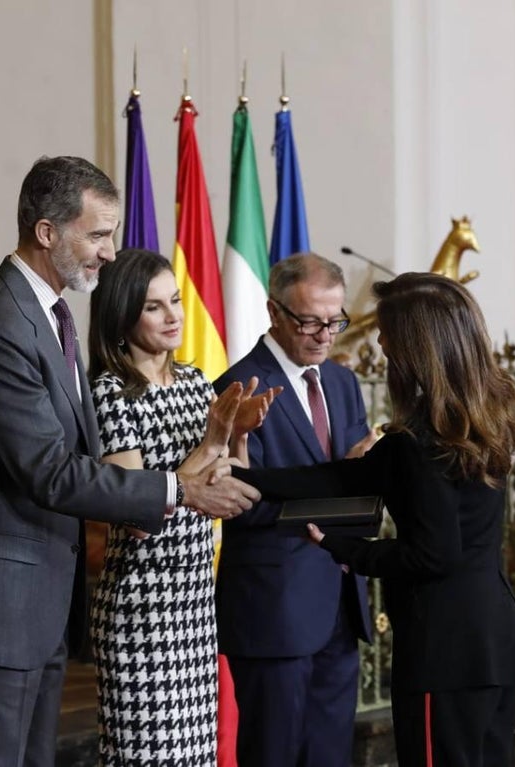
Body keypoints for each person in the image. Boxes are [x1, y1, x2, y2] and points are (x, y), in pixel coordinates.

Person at [0, 156, 259, 767]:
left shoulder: (50, 315)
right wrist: (179, 489)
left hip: (34, 612)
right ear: (47, 232)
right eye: (97, 235)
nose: (109, 252)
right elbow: (47, 469)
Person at [233, 272, 515, 767]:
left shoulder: (416, 443)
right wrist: (245, 478)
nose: (381, 345)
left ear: (415, 346)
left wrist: (344, 549)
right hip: (496, 637)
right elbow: (340, 477)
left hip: (446, 651)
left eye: (387, 333)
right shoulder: (483, 418)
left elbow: (432, 555)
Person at [87, 248, 278, 765]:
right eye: (154, 307)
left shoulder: (195, 383)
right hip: (141, 605)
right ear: (122, 315)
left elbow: (226, 484)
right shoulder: (110, 393)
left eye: (175, 300)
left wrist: (238, 436)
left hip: (194, 601)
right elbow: (134, 515)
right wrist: (211, 440)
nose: (174, 315)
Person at [213, 253, 376, 767]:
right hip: (275, 611)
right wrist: (341, 487)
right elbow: (242, 503)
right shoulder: (237, 388)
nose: (325, 335)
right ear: (274, 312)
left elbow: (362, 494)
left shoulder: (344, 384)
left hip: (341, 603)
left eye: (335, 321)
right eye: (310, 322)